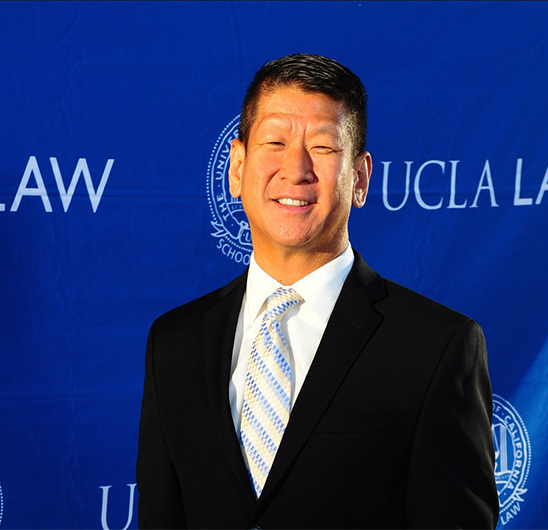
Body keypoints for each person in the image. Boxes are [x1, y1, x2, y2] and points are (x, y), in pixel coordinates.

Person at [137, 53, 499, 529]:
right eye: (274, 141)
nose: (296, 168)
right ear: (237, 167)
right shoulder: (174, 343)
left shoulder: (436, 348)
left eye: (324, 148)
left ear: (361, 178)